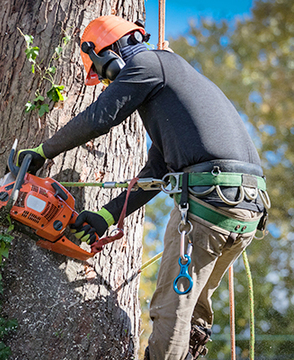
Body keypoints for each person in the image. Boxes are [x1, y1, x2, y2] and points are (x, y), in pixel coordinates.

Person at [17, 15, 269, 360]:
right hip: (244, 209)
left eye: (103, 74)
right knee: (192, 311)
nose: (108, 85)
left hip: (211, 205)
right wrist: (106, 216)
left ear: (109, 54)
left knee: (170, 311)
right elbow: (156, 172)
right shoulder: (173, 85)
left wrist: (41, 152)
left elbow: (100, 118)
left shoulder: (149, 63)